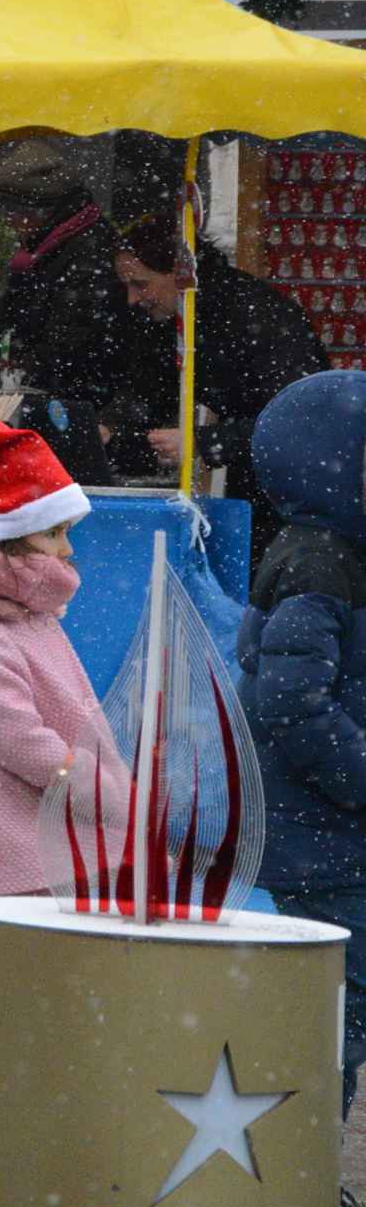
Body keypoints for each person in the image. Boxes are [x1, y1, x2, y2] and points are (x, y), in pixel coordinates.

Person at [240, 370, 366, 1124]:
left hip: (337, 832)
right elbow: (290, 701)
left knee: (342, 1002)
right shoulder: (317, 563)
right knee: (336, 1008)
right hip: (322, 835)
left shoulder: (341, 551)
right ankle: (305, 1167)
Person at [0, 418, 115, 901]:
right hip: (15, 856)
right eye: (55, 534)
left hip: (52, 842)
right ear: (9, 540)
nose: (68, 549)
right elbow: (19, 739)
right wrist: (101, 790)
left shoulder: (33, 618)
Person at [108, 219, 327, 557]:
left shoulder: (258, 317)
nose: (133, 299)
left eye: (140, 284)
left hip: (298, 496)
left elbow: (300, 423)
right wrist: (110, 426)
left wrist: (204, 443)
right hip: (255, 483)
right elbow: (149, 385)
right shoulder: (184, 314)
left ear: (178, 273)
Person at [0, 141, 160, 409]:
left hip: (81, 406)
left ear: (44, 211)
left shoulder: (90, 257)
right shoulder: (41, 249)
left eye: (15, 212)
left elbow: (69, 352)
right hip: (53, 396)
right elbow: (9, 325)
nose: (10, 221)